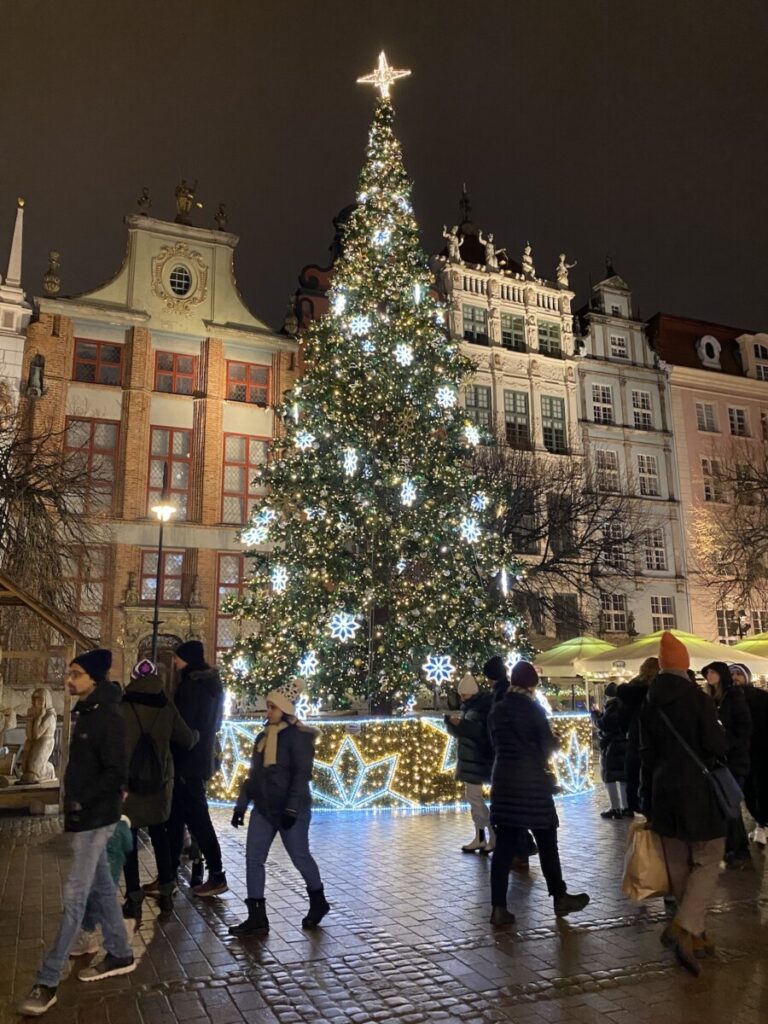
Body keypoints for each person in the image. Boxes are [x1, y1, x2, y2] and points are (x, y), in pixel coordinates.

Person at [19, 650, 135, 1017]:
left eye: (75, 673)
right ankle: (120, 952)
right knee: (101, 888)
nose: (68, 679)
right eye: (69, 673)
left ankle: (48, 979)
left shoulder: (108, 716)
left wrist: (84, 804)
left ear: (94, 679)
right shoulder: (87, 711)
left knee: (73, 899)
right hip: (85, 816)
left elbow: (116, 772)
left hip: (96, 819)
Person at [639, 632, 729, 976]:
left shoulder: (649, 702)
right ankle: (684, 927)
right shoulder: (698, 699)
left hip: (663, 793)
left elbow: (644, 755)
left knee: (678, 863)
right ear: (686, 665)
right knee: (708, 858)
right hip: (698, 793)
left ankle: (696, 936)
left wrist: (645, 798)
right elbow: (717, 744)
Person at [488, 660, 590, 928]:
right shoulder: (533, 710)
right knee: (547, 842)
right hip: (531, 782)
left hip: (504, 783)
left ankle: (498, 908)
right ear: (532, 684)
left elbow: (494, 744)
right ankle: (559, 897)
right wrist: (553, 741)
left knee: (504, 848)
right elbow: (546, 747)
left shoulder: (497, 709)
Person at [229, 680, 328, 936]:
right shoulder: (263, 738)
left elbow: (300, 776)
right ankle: (257, 917)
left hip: (289, 809)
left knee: (300, 857)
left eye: (272, 707)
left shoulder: (299, 738)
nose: (267, 712)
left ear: (284, 710)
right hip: (264, 808)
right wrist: (241, 805)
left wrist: (292, 809)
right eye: (268, 707)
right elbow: (254, 774)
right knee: (254, 859)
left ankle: (318, 901)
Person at [121, 659, 198, 919]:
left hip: (129, 785)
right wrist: (200, 735)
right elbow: (186, 740)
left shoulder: (123, 705)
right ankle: (166, 891)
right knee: (160, 837)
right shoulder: (167, 706)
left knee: (129, 842)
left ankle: (133, 897)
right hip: (159, 783)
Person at [167, 640, 227, 897]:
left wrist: (175, 753)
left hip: (187, 761)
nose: (174, 662)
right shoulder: (211, 686)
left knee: (198, 820)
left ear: (188, 659)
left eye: (178, 657)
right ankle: (166, 876)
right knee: (176, 819)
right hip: (199, 759)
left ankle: (217, 874)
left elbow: (184, 726)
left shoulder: (192, 686)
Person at [701, 661, 752, 866]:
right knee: (726, 803)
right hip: (718, 759)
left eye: (713, 672)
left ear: (721, 675)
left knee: (730, 802)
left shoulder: (734, 697)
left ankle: (736, 848)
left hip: (734, 759)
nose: (709, 676)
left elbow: (745, 726)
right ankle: (734, 847)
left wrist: (728, 744)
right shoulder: (708, 699)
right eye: (707, 673)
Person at [445, 673, 494, 853]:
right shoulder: (469, 707)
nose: (461, 698)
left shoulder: (480, 708)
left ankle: (490, 834)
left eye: (464, 694)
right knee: (473, 798)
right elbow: (465, 731)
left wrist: (460, 724)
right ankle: (481, 835)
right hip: (470, 759)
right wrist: (452, 724)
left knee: (475, 798)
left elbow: (478, 732)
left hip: (476, 759)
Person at [729, 662, 768, 847]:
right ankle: (760, 821)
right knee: (747, 791)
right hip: (739, 753)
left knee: (761, 787)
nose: (735, 677)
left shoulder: (761, 697)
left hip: (761, 749)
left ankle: (762, 823)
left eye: (739, 673)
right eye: (732, 674)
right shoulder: (726, 699)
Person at [617, 657, 658, 814]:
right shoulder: (657, 690)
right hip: (654, 738)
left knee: (633, 774)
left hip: (634, 737)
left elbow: (622, 718)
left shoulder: (629, 690)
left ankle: (633, 805)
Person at [598, 683, 630, 819]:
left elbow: (605, 725)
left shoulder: (612, 707)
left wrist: (595, 716)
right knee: (623, 778)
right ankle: (626, 807)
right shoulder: (626, 707)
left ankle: (615, 808)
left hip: (612, 747)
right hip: (625, 745)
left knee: (609, 777)